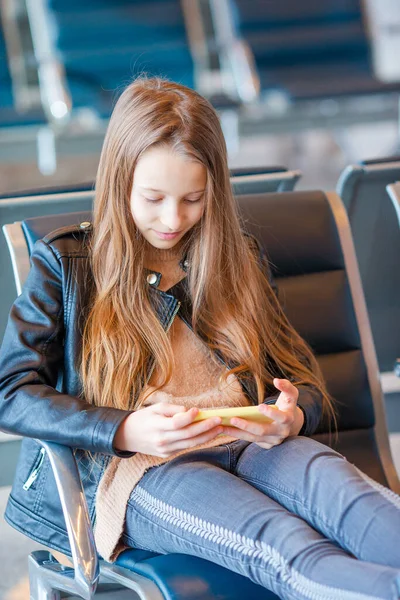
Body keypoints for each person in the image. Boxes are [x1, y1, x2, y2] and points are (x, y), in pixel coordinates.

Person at [0, 78, 400, 600]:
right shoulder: (68, 263)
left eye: (193, 199)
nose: (174, 220)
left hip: (250, 442)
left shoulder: (237, 257)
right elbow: (10, 390)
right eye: (154, 198)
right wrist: (124, 430)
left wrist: (293, 414)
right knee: (283, 547)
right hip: (145, 468)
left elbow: (304, 379)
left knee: (366, 512)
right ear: (120, 182)